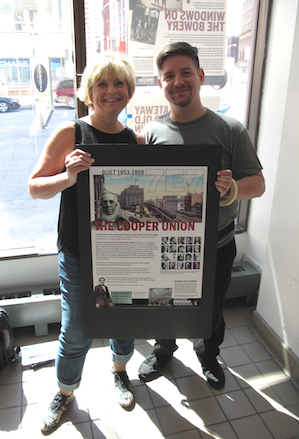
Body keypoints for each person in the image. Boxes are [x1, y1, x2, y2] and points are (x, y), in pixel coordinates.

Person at [138, 42, 265, 389]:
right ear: (160, 83)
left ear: (201, 76)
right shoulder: (151, 133)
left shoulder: (230, 128)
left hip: (217, 244)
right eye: (169, 76)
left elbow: (258, 183)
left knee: (210, 308)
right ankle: (163, 350)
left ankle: (208, 354)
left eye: (185, 73)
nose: (177, 81)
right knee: (161, 301)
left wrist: (233, 189)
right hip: (164, 244)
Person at [28, 53, 144, 432]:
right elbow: (34, 187)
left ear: (128, 91)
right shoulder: (71, 133)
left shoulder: (134, 140)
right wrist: (67, 176)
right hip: (79, 251)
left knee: (122, 318)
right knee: (76, 328)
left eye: (119, 84)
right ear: (89, 92)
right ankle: (64, 392)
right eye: (102, 84)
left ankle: (120, 370)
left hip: (122, 249)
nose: (111, 91)